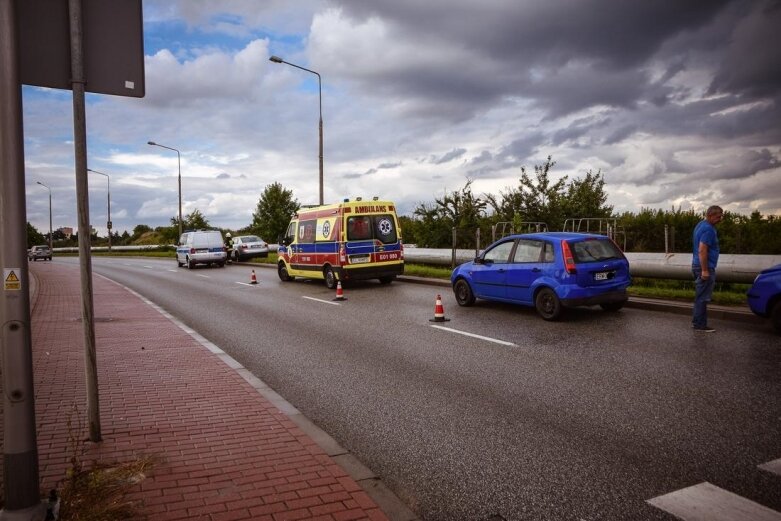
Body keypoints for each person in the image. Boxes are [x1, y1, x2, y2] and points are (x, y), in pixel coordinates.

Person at [691, 205, 723, 332]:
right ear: (710, 216)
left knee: (701, 296)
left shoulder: (700, 224)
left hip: (697, 265)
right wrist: (705, 270)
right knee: (702, 297)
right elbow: (702, 249)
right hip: (704, 267)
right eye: (718, 216)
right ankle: (699, 324)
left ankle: (697, 322)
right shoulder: (708, 229)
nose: (720, 219)